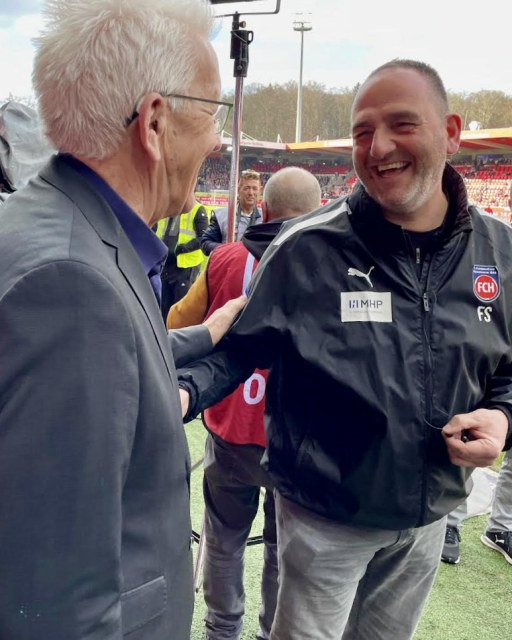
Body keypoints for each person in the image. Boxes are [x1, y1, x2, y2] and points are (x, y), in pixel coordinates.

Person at [178, 59, 512, 640]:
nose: (378, 146)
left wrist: (503, 417)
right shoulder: (306, 246)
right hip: (323, 517)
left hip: (429, 518)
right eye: (362, 131)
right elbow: (238, 351)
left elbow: (508, 369)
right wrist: (178, 391)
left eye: (401, 124)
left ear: (452, 132)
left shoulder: (500, 249)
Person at [0, 1, 245, 639]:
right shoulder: (72, 286)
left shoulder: (58, 224)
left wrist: (202, 336)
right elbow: (58, 605)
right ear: (156, 123)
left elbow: (109, 368)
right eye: (214, 112)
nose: (219, 138)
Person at [169, 167, 321, 640]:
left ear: (265, 210)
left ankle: (220, 630)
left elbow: (177, 322)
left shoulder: (225, 258)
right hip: (293, 440)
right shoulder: (330, 264)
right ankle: (269, 631)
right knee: (281, 548)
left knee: (223, 539)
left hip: (229, 428)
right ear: (319, 213)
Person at [157, 200, 209, 320]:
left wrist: (186, 248)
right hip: (166, 265)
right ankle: (165, 337)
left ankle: (177, 337)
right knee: (164, 309)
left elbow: (204, 237)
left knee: (181, 311)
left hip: (185, 267)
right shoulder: (167, 207)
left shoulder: (197, 209)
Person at [201, 169, 262, 255]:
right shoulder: (221, 216)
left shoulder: (267, 218)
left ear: (260, 190)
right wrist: (229, 250)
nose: (251, 193)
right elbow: (206, 243)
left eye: (255, 189)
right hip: (227, 266)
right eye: (246, 188)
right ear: (238, 189)